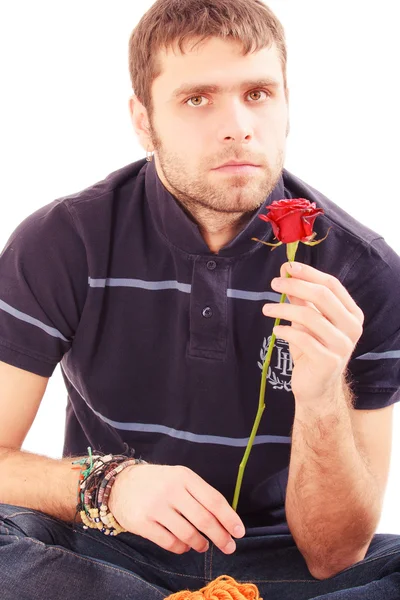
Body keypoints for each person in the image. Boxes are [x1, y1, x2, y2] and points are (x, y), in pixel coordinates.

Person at [0, 0, 399, 598]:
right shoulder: (65, 240)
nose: (238, 124)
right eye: (197, 99)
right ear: (143, 119)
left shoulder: (362, 271)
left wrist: (321, 397)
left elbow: (334, 557)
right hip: (105, 552)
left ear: (287, 105)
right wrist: (110, 487)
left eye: (259, 93)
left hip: (279, 565)